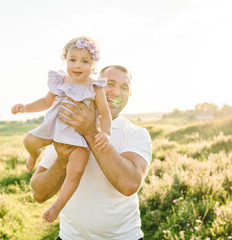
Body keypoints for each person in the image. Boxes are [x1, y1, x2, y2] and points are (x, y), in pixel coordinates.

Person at [30, 65, 152, 239]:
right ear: (95, 87)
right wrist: (63, 160)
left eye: (124, 87)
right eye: (109, 84)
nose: (117, 92)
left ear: (129, 95)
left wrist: (90, 132)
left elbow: (129, 185)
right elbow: (39, 194)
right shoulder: (65, 128)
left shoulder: (136, 133)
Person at [11, 36, 112, 222]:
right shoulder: (61, 80)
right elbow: (45, 102)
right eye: (72, 60)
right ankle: (34, 154)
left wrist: (105, 132)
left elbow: (104, 114)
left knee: (76, 170)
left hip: (79, 137)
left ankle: (58, 206)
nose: (78, 65)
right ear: (66, 60)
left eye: (85, 61)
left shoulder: (95, 87)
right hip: (55, 128)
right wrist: (25, 107)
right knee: (29, 141)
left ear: (94, 65)